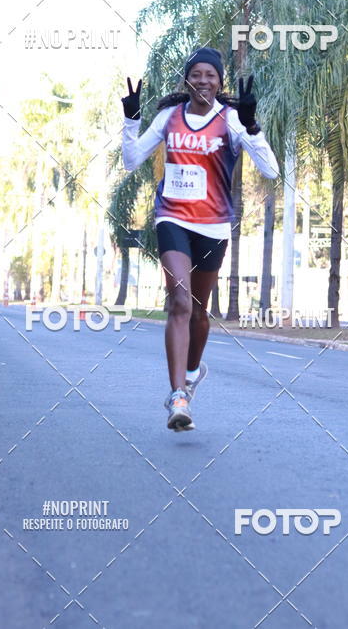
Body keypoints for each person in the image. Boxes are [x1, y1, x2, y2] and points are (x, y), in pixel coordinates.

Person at [122, 47, 279, 431]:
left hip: (213, 226)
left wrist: (252, 127)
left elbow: (271, 170)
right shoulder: (169, 118)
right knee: (178, 301)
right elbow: (131, 160)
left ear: (220, 82)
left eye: (211, 74)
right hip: (172, 218)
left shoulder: (231, 121)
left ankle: (192, 371)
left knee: (198, 311)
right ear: (187, 80)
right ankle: (178, 397)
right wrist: (131, 120)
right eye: (197, 74)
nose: (204, 80)